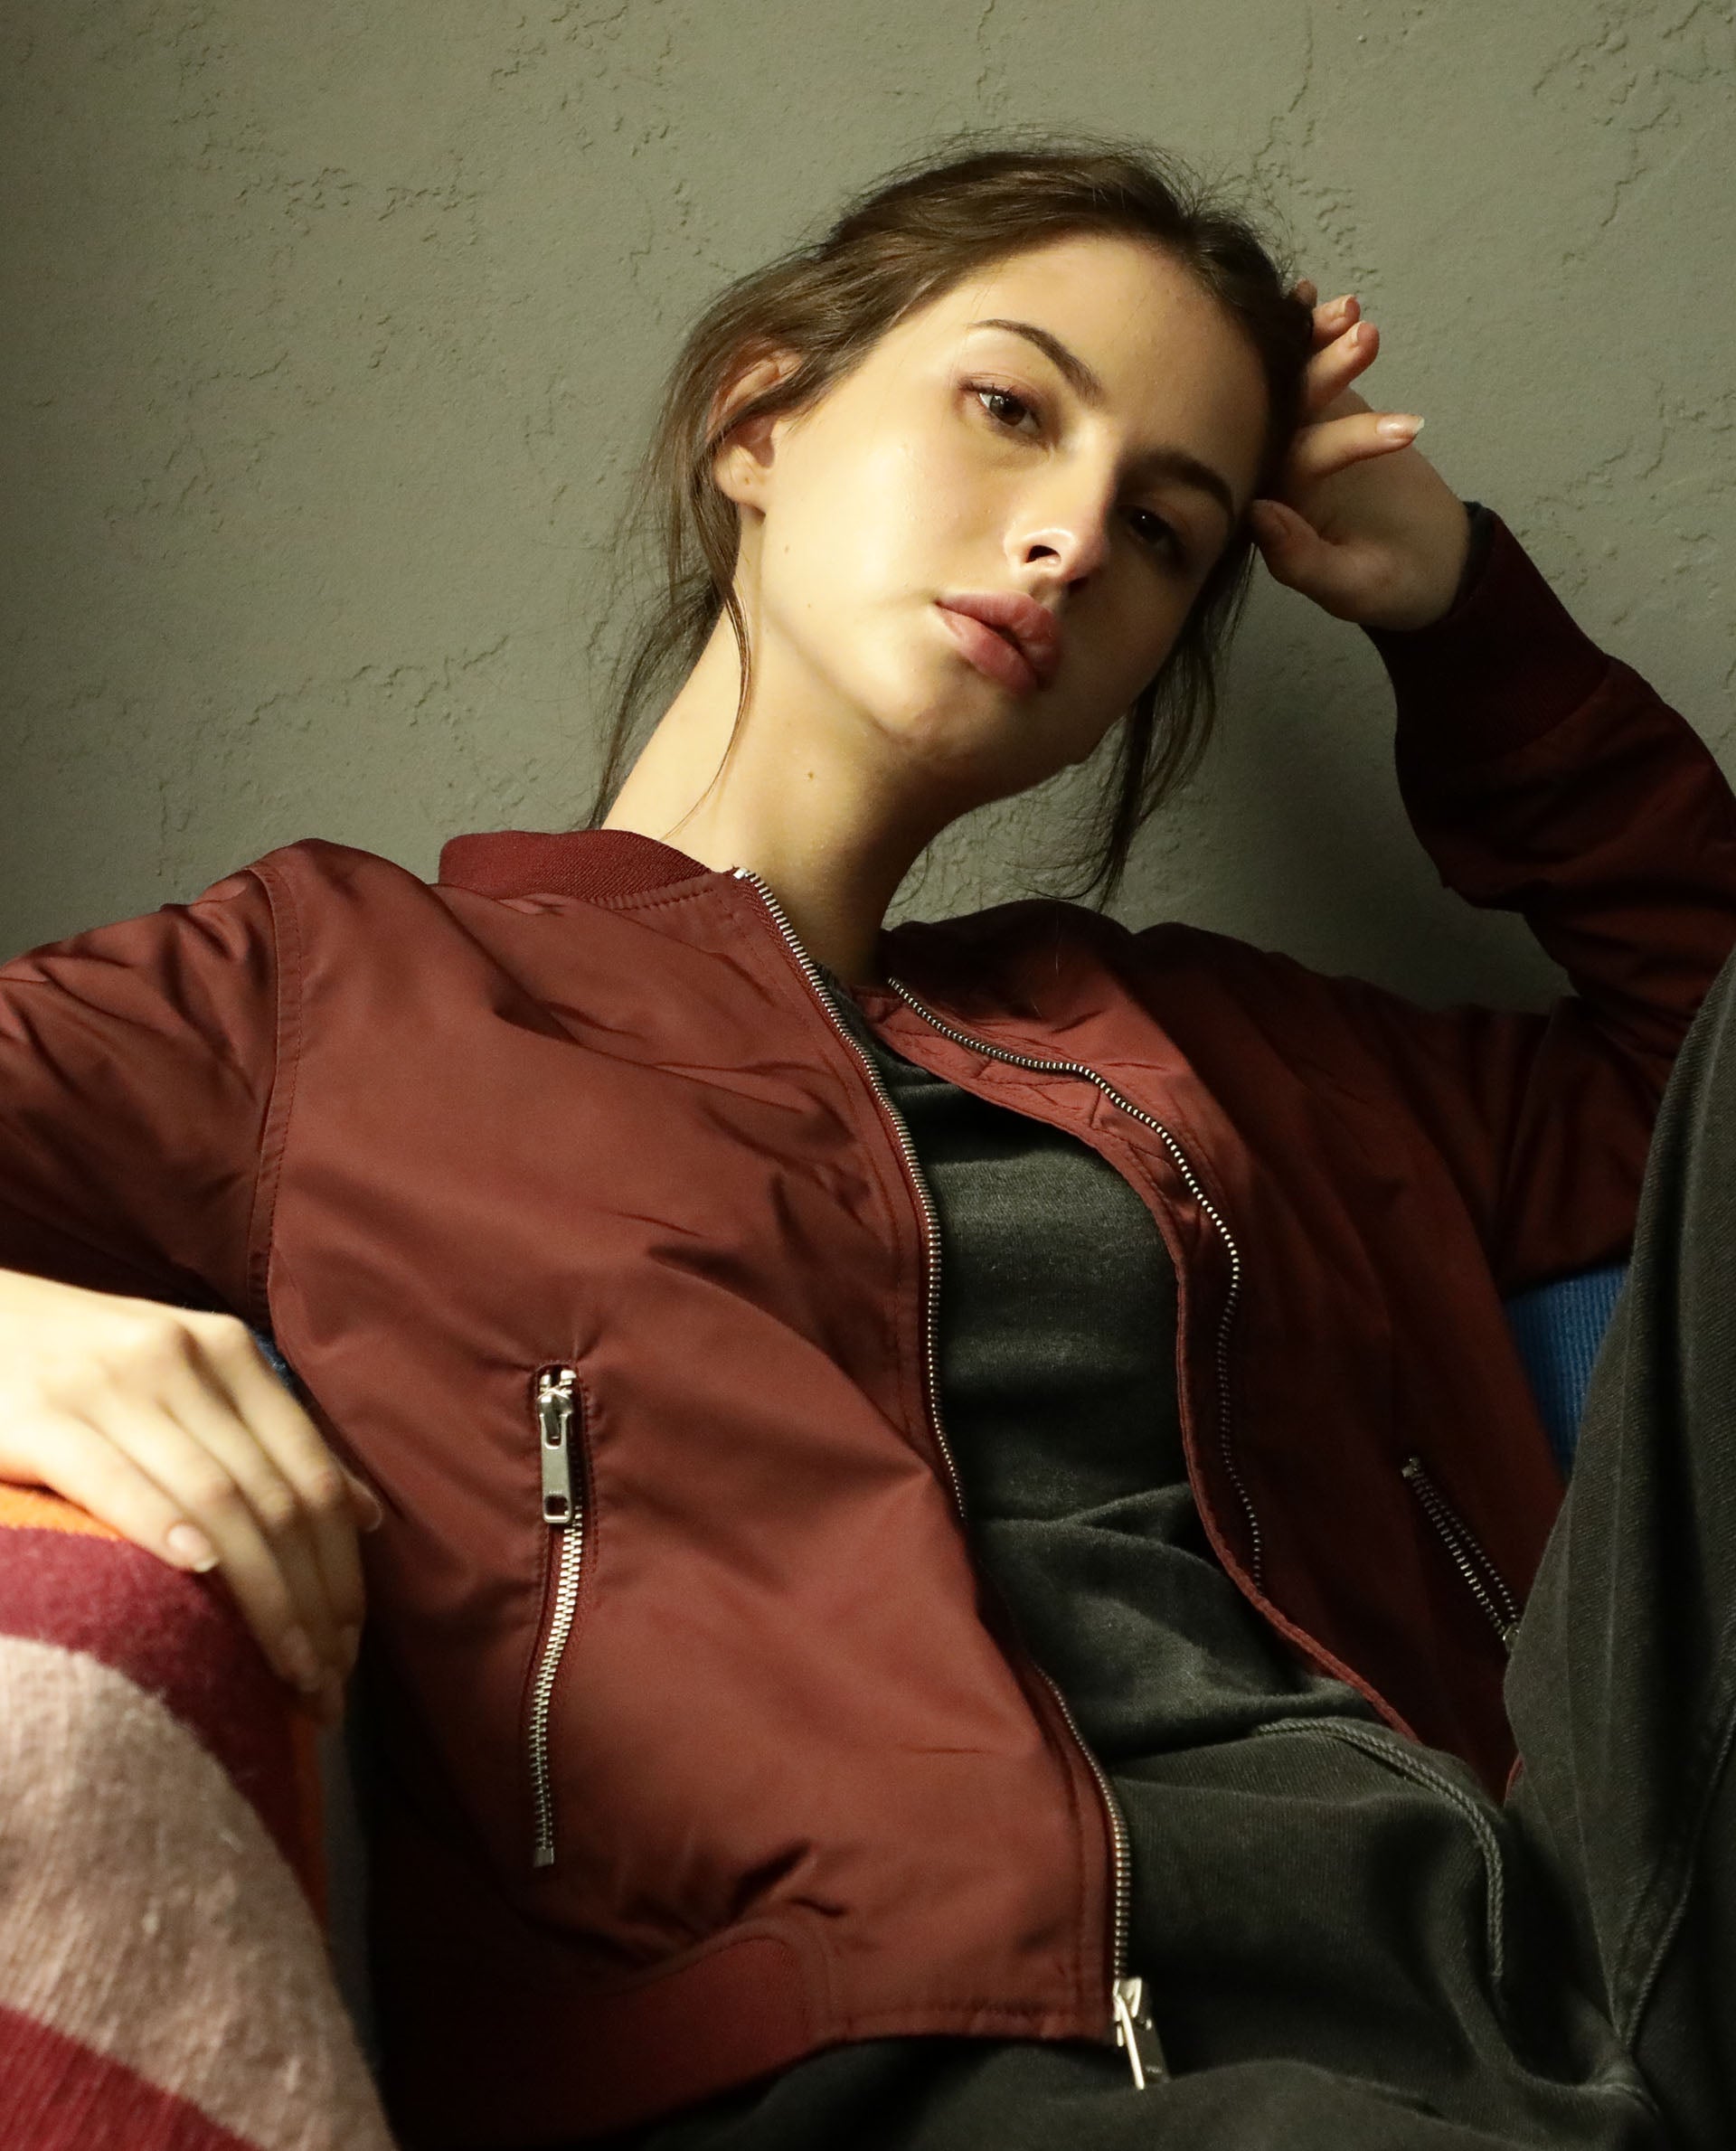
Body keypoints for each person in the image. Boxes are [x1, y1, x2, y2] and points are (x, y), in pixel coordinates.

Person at [1, 131, 1733, 2150]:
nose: (1070, 538)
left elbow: (1691, 1048)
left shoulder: (1219, 1047)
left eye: (1163, 527)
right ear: (761, 419)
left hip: (1544, 2003)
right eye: (1010, 408)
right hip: (883, 2080)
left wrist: (1460, 621)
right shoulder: (334, 993)